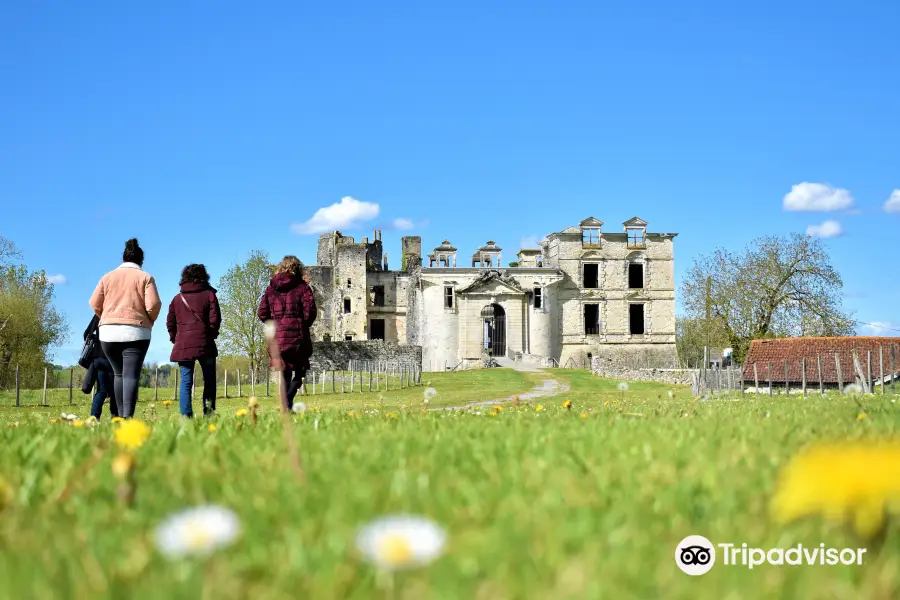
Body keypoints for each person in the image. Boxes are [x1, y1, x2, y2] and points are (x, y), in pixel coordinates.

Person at [89, 238, 161, 418]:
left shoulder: (107, 276)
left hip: (108, 333)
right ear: (141, 260)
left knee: (118, 374)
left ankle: (119, 418)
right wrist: (149, 320)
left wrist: (106, 318)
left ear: (123, 258)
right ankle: (128, 418)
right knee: (130, 376)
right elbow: (154, 305)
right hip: (136, 331)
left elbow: (94, 303)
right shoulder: (145, 277)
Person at [258, 256, 317, 411]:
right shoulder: (302, 287)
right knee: (300, 371)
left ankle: (286, 407)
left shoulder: (271, 288)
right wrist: (301, 324)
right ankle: (288, 401)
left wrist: (275, 323)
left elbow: (262, 312)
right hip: (298, 336)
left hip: (278, 336)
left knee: (284, 372)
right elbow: (310, 311)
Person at [166, 264, 221, 417]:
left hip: (183, 344)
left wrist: (175, 338)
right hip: (206, 343)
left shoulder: (177, 299)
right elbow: (215, 319)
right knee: (209, 381)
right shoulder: (210, 295)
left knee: (185, 383)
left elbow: (170, 322)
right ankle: (209, 415)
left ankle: (186, 418)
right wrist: (210, 335)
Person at [82, 314, 119, 420]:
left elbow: (86, 334)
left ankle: (94, 417)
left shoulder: (99, 314)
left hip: (99, 358)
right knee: (116, 390)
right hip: (114, 358)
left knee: (101, 390)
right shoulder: (118, 313)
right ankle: (115, 416)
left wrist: (97, 340)